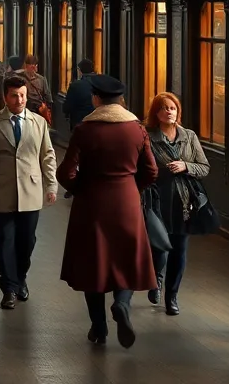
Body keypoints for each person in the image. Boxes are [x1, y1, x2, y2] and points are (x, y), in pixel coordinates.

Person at [56, 75, 159, 348]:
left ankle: (98, 328)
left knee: (94, 263)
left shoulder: (84, 130)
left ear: (96, 99)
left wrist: (80, 187)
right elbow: (151, 170)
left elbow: (66, 172)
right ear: (120, 100)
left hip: (92, 203)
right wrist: (132, 188)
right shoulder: (137, 129)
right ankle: (122, 305)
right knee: (125, 257)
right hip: (126, 202)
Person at [0, 75, 58, 310]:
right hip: (1, 191)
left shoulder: (38, 122)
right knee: (6, 240)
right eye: (14, 95)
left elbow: (47, 156)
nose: (20, 99)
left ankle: (21, 278)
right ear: (5, 97)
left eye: (22, 95)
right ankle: (9, 287)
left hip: (30, 190)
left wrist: (51, 185)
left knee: (27, 241)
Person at [144, 91, 210, 315]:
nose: (169, 112)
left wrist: (186, 166)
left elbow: (204, 167)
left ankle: (172, 296)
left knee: (179, 250)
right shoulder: (147, 136)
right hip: (157, 200)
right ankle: (156, 281)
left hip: (184, 203)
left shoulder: (189, 136)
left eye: (172, 108)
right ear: (156, 112)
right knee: (159, 247)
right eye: (164, 108)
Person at [62, 59, 99, 130]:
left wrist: (66, 114)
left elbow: (68, 106)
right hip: (98, 122)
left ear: (80, 70)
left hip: (80, 122)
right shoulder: (101, 83)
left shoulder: (76, 85)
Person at [22, 53, 53, 118]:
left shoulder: (42, 79)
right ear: (26, 66)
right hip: (25, 109)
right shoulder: (20, 78)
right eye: (32, 65)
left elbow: (47, 95)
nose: (34, 68)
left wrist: (47, 108)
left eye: (35, 65)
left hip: (38, 110)